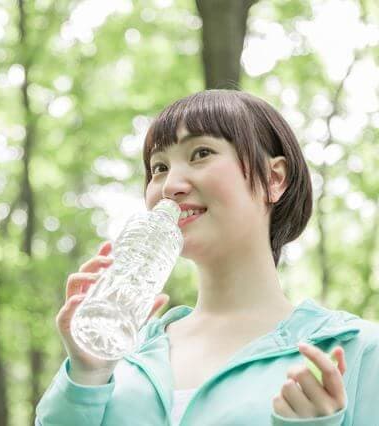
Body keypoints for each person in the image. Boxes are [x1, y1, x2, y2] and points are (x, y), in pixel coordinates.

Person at [35, 90, 379, 425]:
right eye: (158, 167)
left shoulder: (354, 351)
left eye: (200, 153)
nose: (170, 185)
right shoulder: (121, 358)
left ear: (274, 178)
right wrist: (86, 375)